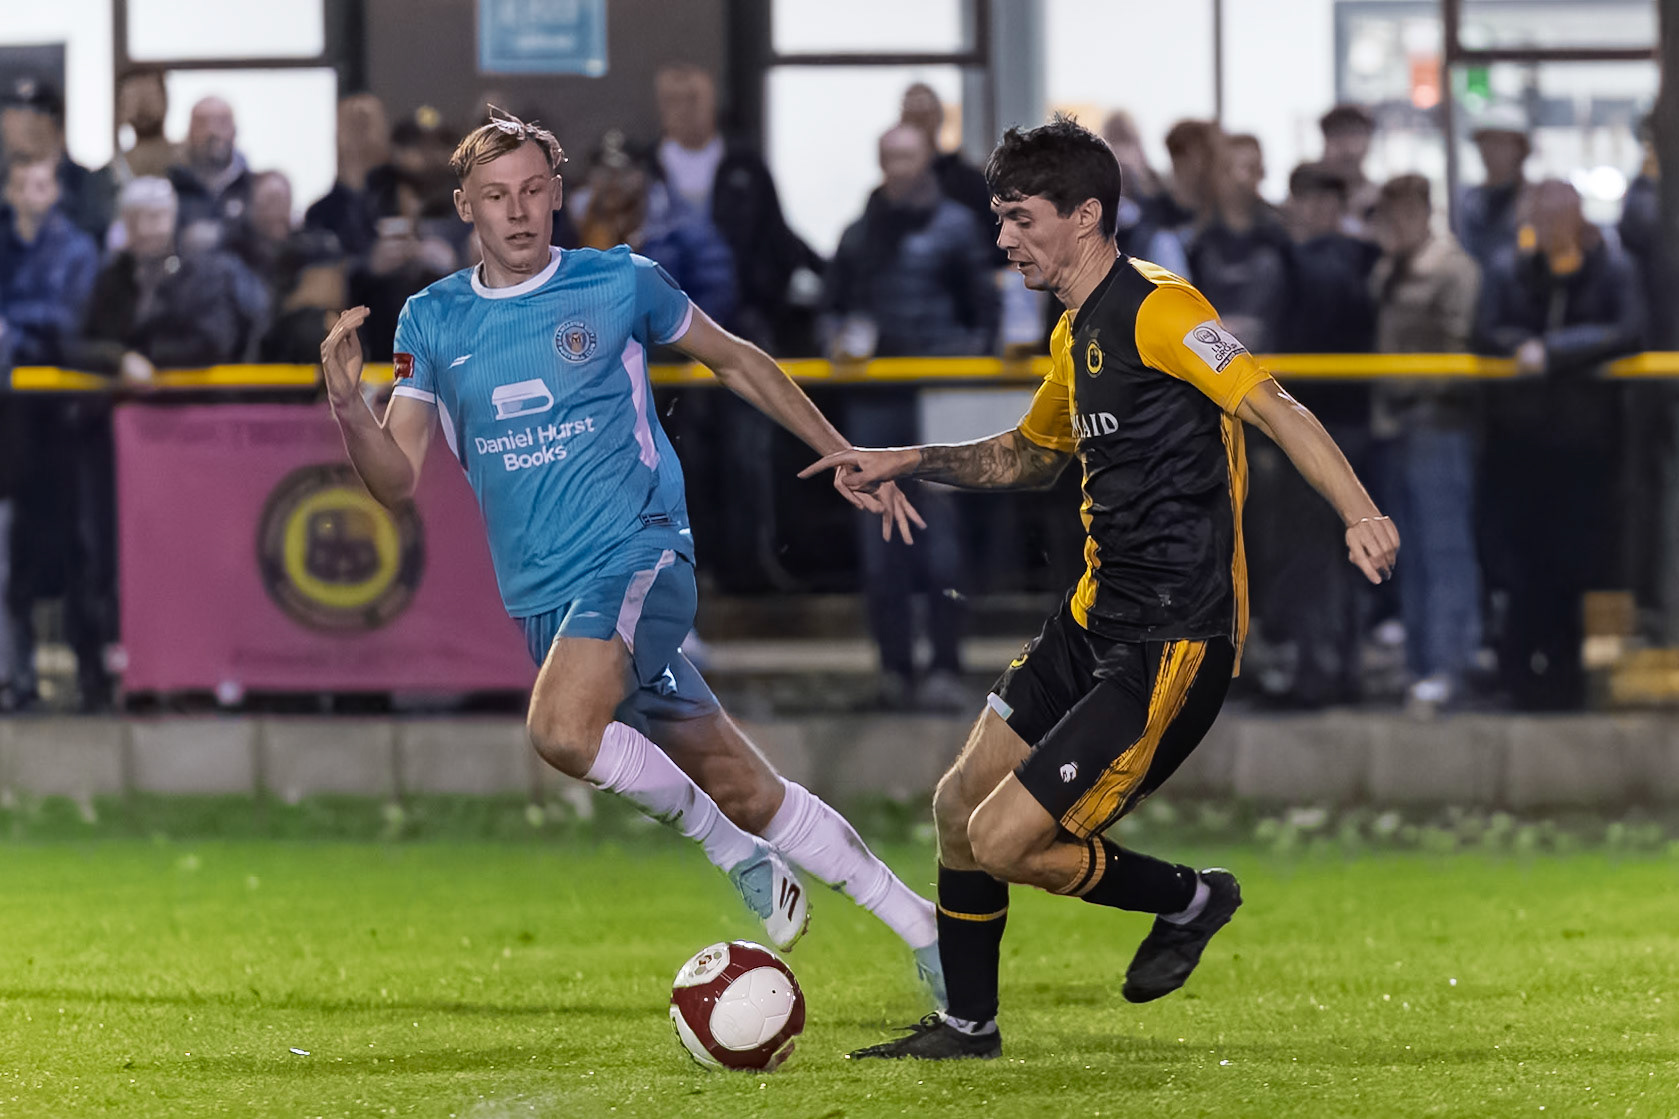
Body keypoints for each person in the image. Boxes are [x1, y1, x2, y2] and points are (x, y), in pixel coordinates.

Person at [317, 110, 944, 1000]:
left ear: (558, 194)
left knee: (560, 730)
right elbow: (395, 478)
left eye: (534, 190)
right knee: (741, 781)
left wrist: (842, 450)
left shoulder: (620, 283)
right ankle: (922, 926)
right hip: (546, 600)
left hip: (642, 557)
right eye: (497, 196)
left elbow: (739, 360)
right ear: (465, 207)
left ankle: (734, 856)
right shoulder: (433, 317)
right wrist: (348, 408)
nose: (519, 211)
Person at [810, 117, 1397, 1060]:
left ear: (1085, 216)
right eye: (998, 218)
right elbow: (1027, 455)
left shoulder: (1163, 309)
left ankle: (1191, 897)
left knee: (1003, 840)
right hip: (1091, 620)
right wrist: (905, 460)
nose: (1002, 238)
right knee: (960, 808)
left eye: (1019, 218)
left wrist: (1358, 511)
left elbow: (1274, 404)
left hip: (1171, 641)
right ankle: (968, 1026)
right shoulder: (1074, 327)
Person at [826, 122, 998, 710]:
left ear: (927, 159)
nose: (897, 167)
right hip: (876, 401)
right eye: (888, 157)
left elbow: (986, 311)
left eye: (907, 156)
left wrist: (966, 366)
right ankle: (894, 670)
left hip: (941, 400)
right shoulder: (861, 232)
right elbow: (833, 304)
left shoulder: (956, 228)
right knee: (880, 539)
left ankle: (946, 665)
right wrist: (839, 342)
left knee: (942, 540)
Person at [1477, 179, 1645, 710]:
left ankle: (1567, 680)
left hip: (1585, 449)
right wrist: (1526, 349)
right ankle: (1520, 679)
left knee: (1576, 567)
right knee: (1523, 567)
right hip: (1521, 447)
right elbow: (1485, 329)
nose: (1548, 226)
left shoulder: (1611, 269)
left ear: (1578, 218)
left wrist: (1550, 351)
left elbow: (1628, 328)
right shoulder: (1510, 270)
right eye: (1540, 215)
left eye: (1558, 215)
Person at [1369, 175, 1483, 716]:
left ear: (1423, 209)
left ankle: (1448, 663)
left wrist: (1414, 389)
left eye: (1402, 209)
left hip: (1438, 424)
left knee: (1444, 550)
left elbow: (1460, 350)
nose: (1393, 221)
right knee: (1406, 553)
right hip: (1394, 426)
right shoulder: (1387, 268)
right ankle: (1420, 664)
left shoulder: (1451, 267)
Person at [0, 78, 108, 241]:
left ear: (55, 125)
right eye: (13, 114)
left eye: (35, 117)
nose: (22, 125)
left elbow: (95, 236)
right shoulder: (4, 177)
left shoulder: (84, 181)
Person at [304, 93, 393, 259]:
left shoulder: (402, 198)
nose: (360, 138)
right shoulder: (321, 214)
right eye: (352, 126)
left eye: (366, 124)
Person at [1457, 106, 1531, 271]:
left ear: (1520, 148)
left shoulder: (1533, 201)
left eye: (1499, 142)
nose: (1490, 150)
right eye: (1485, 141)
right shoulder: (1466, 201)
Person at [167, 96, 254, 234]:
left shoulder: (253, 188)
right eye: (202, 124)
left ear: (234, 131)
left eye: (221, 123)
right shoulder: (170, 188)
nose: (212, 131)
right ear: (189, 132)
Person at [1318, 104, 1379, 236]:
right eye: (1337, 135)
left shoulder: (1381, 199)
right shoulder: (1308, 199)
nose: (1347, 147)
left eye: (1354, 134)